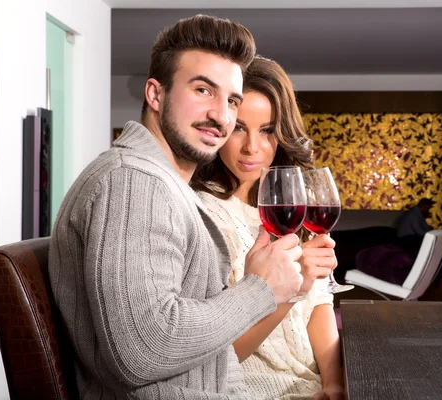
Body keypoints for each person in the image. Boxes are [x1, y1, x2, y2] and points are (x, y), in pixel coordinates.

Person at [48, 15, 305, 399]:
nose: (221, 115)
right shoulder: (134, 181)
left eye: (231, 100)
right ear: (155, 94)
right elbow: (144, 350)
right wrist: (261, 289)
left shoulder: (161, 183)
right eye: (203, 90)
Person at [192, 56, 345, 400]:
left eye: (267, 131)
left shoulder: (287, 207)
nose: (252, 147)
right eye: (239, 128)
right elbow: (218, 359)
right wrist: (291, 291)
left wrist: (334, 382)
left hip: (312, 381)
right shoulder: (201, 215)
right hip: (256, 389)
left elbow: (318, 303)